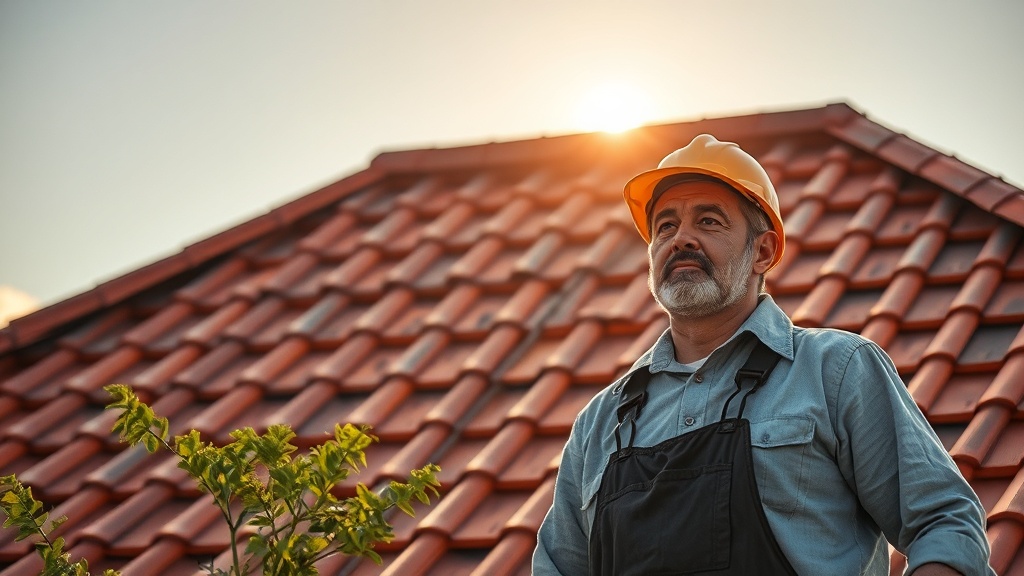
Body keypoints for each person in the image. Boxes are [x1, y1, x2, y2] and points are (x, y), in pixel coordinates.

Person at [532, 134, 995, 576]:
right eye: (665, 226)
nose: (681, 239)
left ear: (764, 250)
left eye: (709, 221)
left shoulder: (835, 371)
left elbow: (945, 524)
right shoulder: (601, 422)